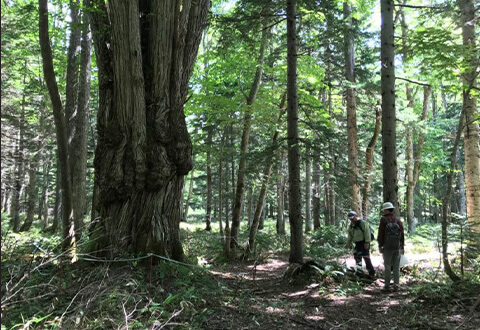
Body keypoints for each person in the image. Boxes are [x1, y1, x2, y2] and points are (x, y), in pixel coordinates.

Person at [377, 202, 405, 292]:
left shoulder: (383, 220)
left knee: (388, 266)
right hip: (396, 247)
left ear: (386, 210)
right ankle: (396, 285)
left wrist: (380, 245)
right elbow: (402, 234)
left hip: (387, 247)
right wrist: (402, 246)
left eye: (384, 210)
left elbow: (380, 233)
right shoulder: (398, 220)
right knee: (396, 267)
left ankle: (387, 286)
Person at [345, 210, 376, 278]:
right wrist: (348, 243)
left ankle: (371, 273)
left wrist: (367, 242)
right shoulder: (351, 226)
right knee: (357, 258)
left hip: (364, 242)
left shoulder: (362, 223)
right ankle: (359, 272)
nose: (351, 219)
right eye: (350, 218)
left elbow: (367, 232)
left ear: (356, 216)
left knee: (366, 258)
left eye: (352, 217)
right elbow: (350, 236)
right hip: (357, 244)